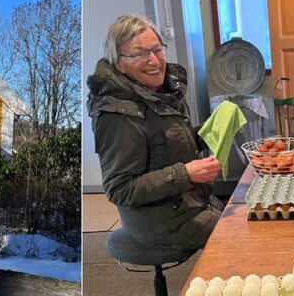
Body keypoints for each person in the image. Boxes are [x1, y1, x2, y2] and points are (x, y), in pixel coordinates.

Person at [87, 14, 222, 252]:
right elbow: (120, 189)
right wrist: (185, 174)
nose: (154, 61)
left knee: (251, 212)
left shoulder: (158, 93)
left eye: (157, 49)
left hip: (190, 203)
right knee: (245, 233)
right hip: (161, 222)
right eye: (139, 54)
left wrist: (211, 130)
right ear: (119, 63)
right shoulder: (117, 115)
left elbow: (166, 144)